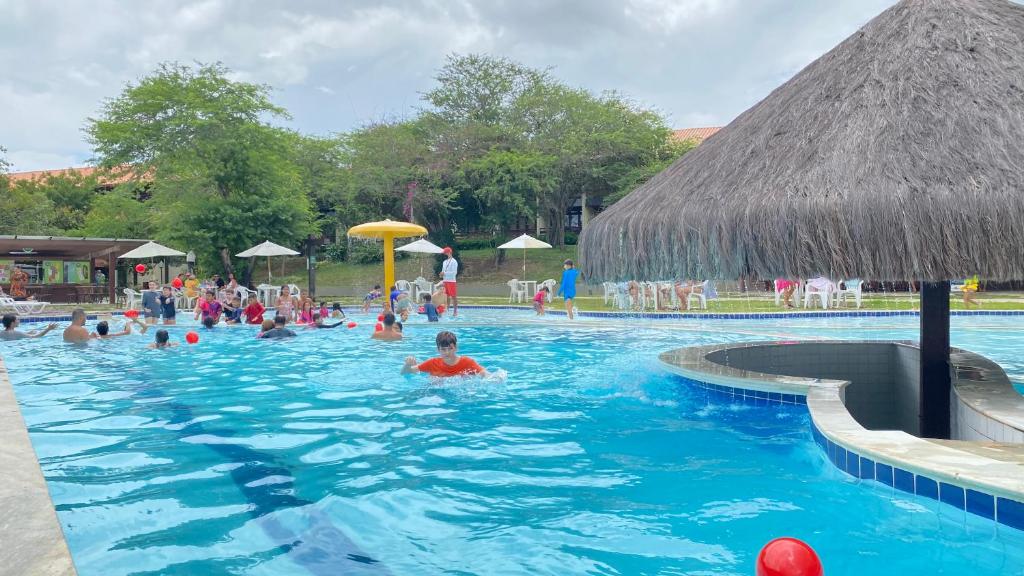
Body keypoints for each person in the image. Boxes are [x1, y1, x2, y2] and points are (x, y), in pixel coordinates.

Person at [402, 330, 486, 377]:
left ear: (456, 347)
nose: (447, 352)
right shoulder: (432, 363)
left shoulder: (467, 362)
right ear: (438, 350)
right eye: (443, 349)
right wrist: (407, 365)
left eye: (450, 348)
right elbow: (405, 372)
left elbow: (485, 374)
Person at [440, 247, 459, 316]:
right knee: (446, 296)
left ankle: (455, 311)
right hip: (445, 280)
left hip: (451, 281)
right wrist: (441, 274)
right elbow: (443, 270)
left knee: (453, 296)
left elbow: (454, 272)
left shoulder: (454, 261)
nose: (445, 254)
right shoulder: (444, 262)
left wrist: (445, 273)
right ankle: (447, 309)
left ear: (449, 252)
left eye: (446, 252)